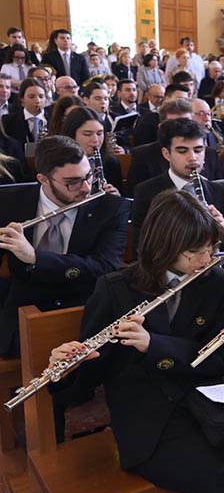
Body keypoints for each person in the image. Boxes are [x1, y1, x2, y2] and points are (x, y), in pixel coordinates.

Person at [48, 190, 224, 493]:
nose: (206, 259)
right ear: (164, 247)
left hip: (212, 404)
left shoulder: (213, 279)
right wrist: (69, 368)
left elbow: (215, 361)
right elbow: (89, 381)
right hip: (151, 422)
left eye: (211, 249)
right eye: (195, 252)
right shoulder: (115, 288)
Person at [0, 136, 129, 355]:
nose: (86, 188)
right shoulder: (9, 201)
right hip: (25, 304)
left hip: (84, 305)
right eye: (73, 182)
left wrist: (35, 258)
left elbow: (105, 267)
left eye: (89, 176)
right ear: (43, 179)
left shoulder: (112, 208)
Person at [131, 118, 224, 253]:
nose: (192, 158)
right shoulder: (147, 192)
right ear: (166, 154)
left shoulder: (219, 191)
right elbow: (141, 248)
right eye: (182, 151)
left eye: (198, 150)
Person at [60, 107, 123, 194]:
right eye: (87, 134)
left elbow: (124, 197)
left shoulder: (112, 162)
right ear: (72, 134)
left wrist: (116, 196)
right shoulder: (58, 164)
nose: (95, 140)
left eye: (99, 133)